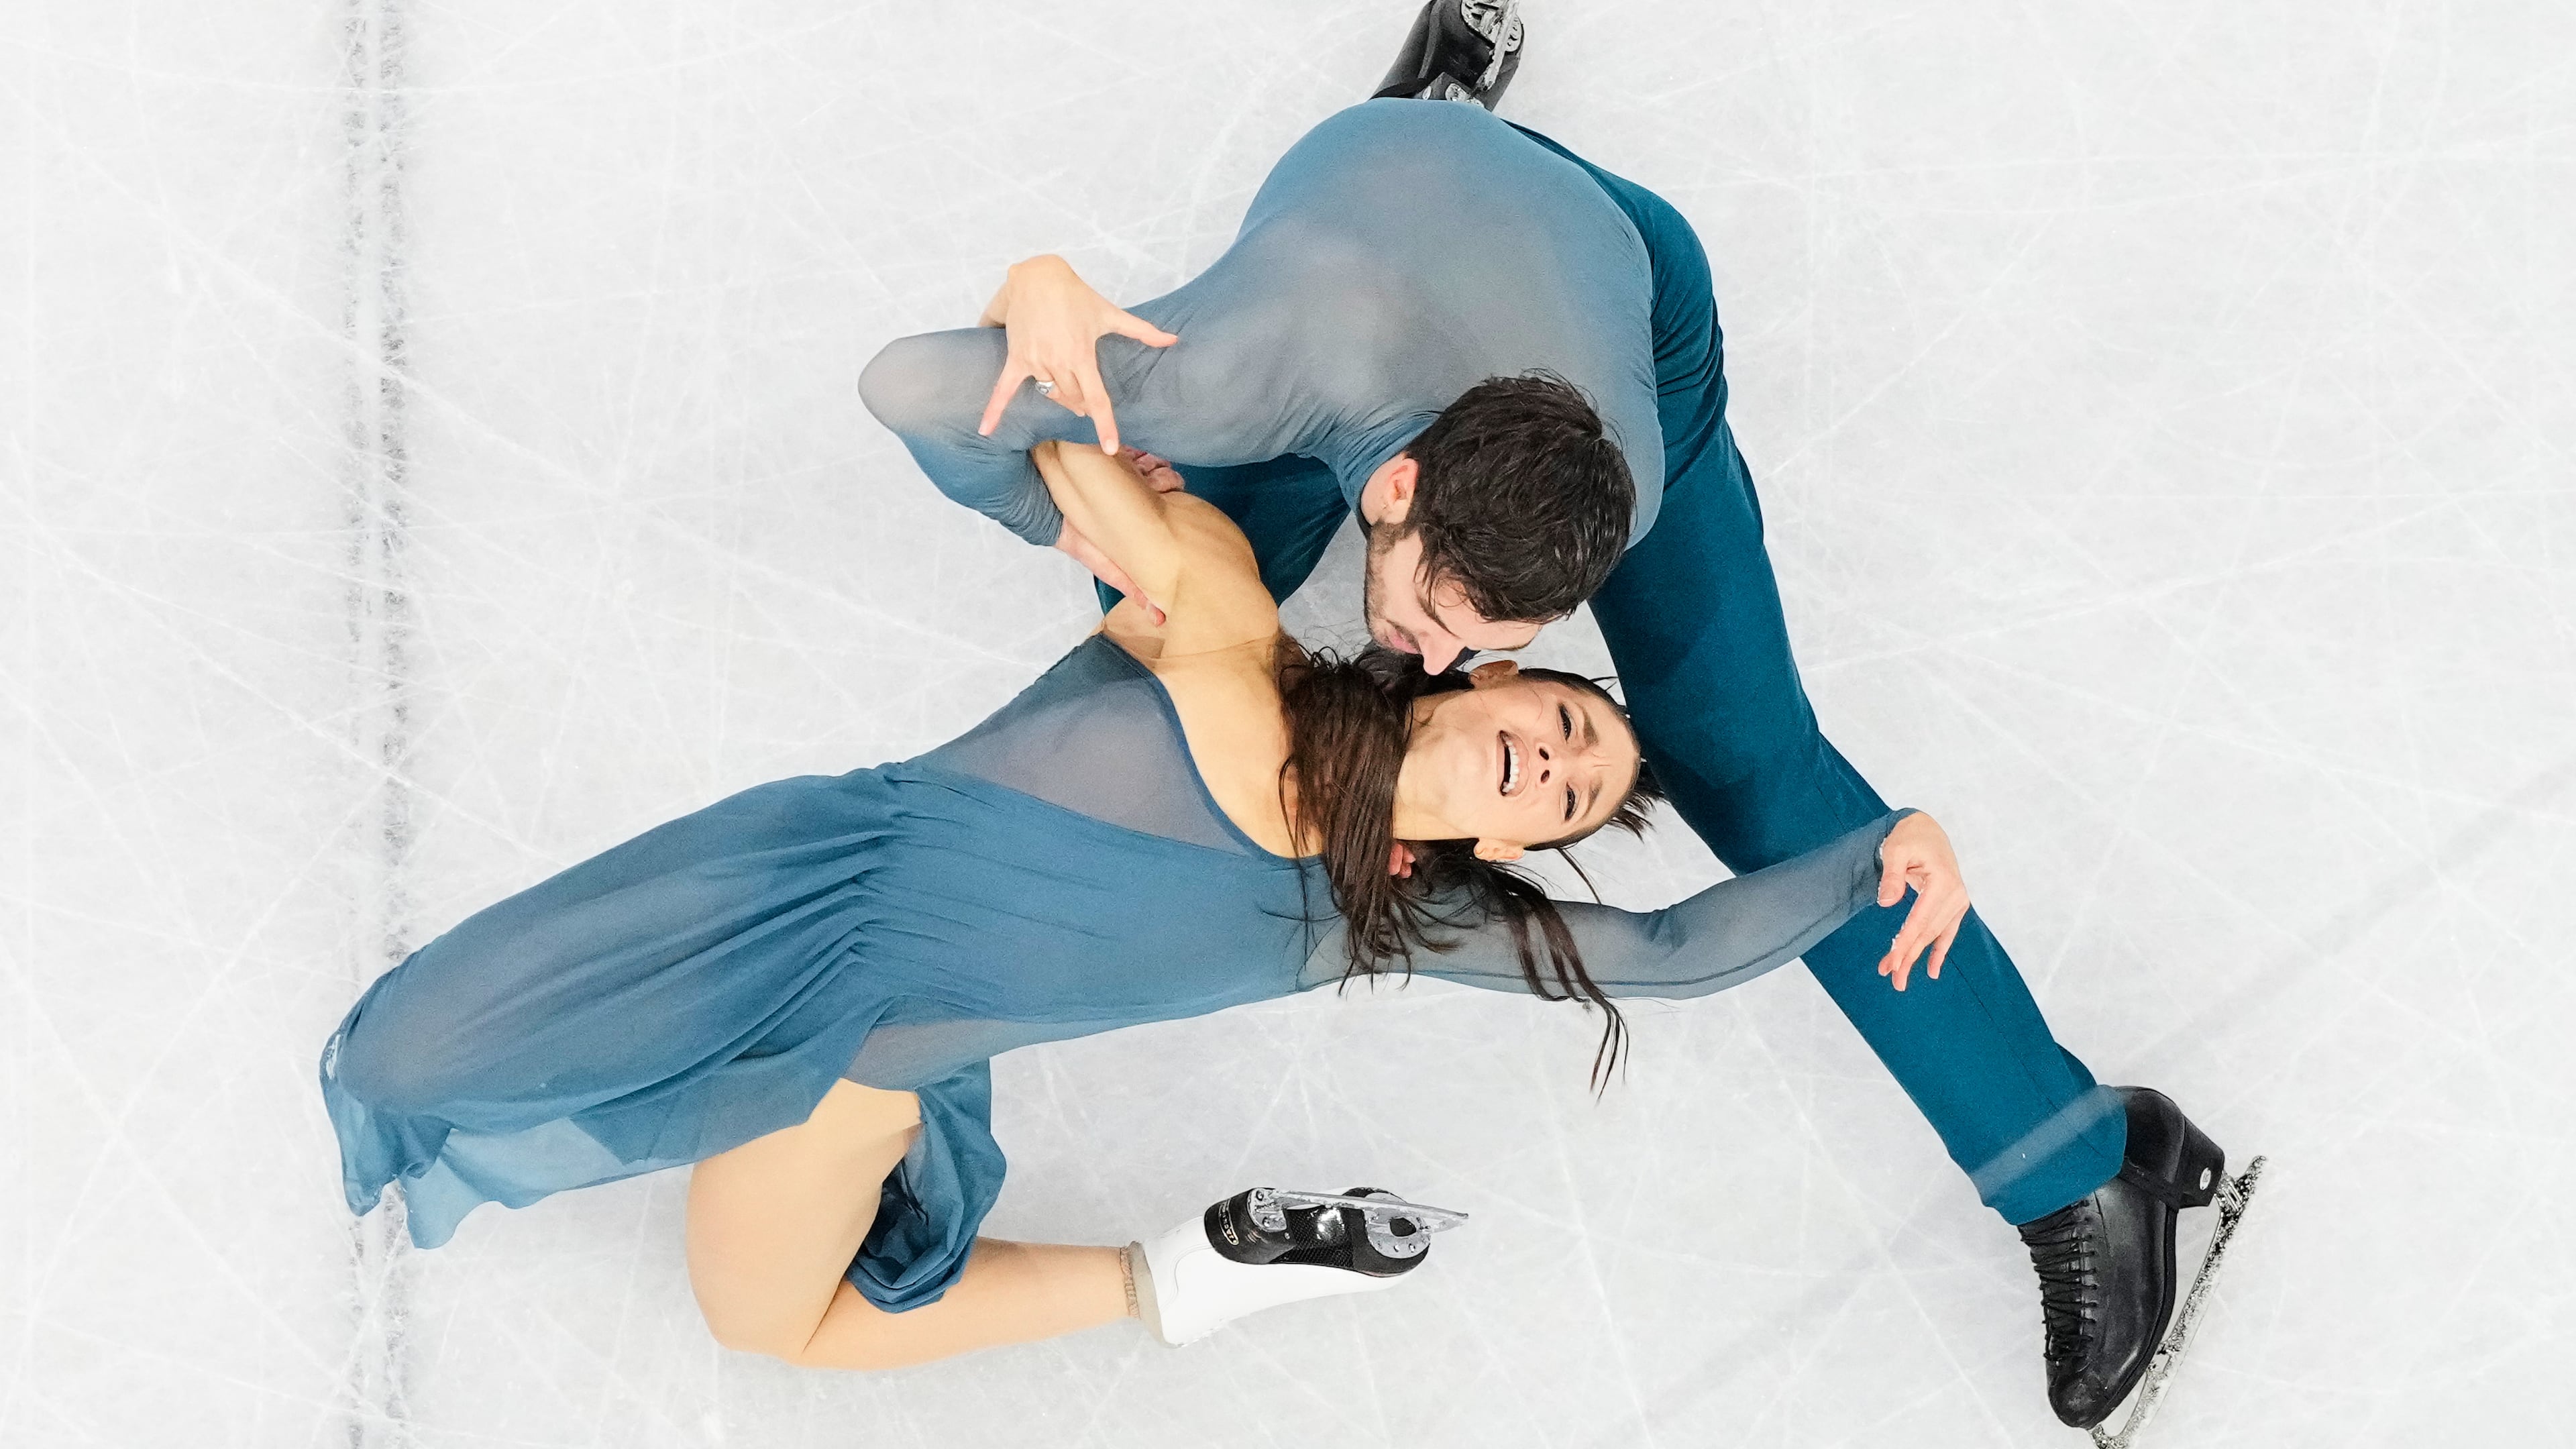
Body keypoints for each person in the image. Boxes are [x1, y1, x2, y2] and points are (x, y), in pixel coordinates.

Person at [855, 5, 2233, 1426]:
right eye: (1439, 626)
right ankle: (1443, 121)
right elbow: (921, 391)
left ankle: (2084, 1165)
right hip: (1352, 247)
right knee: (1150, 692)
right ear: (1388, 491)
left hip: (1619, 283)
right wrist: (1058, 459)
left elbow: (1665, 893)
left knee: (1743, 765)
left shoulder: (1617, 471)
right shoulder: (1231, 374)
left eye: (1485, 646)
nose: (1438, 662)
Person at [320, 436, 1963, 1370]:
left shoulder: (1384, 918)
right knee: (398, 1066)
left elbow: (1673, 955)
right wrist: (1084, 421)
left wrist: (1883, 844)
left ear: (1525, 852)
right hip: (786, 889)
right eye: (1571, 726)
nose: (1561, 765)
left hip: (858, 1080)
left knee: (774, 1327)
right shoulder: (1232, 639)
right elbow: (1004, 442)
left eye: (1583, 794)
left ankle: (1183, 1274)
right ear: (1495, 677)